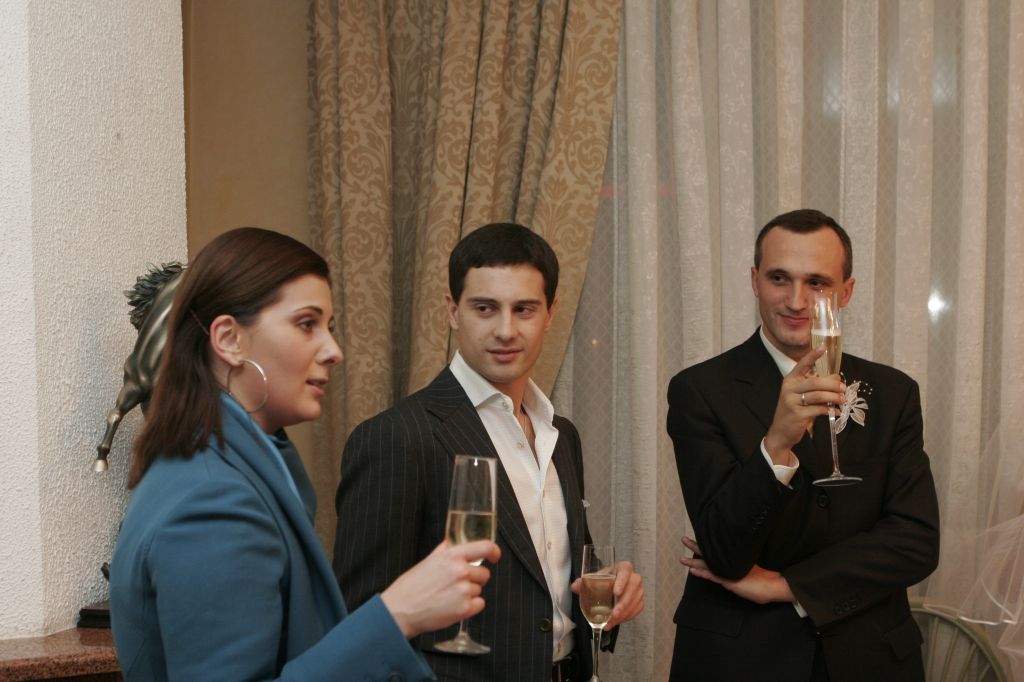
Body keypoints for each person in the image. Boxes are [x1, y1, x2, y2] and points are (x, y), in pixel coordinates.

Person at [109, 227, 500, 681]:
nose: (334, 351)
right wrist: (398, 615)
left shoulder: (225, 466)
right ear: (229, 339)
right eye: (306, 324)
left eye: (328, 327)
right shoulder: (214, 501)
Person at [333, 223, 644, 682]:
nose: (505, 330)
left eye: (524, 309)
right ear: (453, 310)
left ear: (551, 314)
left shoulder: (562, 435)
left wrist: (607, 591)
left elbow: (549, 579)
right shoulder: (396, 437)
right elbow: (361, 622)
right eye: (485, 308)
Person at [666, 209, 940, 682]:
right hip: (741, 660)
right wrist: (775, 445)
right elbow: (724, 553)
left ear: (846, 292)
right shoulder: (700, 390)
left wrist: (785, 585)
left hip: (869, 657)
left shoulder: (893, 393)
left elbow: (915, 542)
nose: (796, 301)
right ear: (754, 281)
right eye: (779, 278)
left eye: (817, 282)